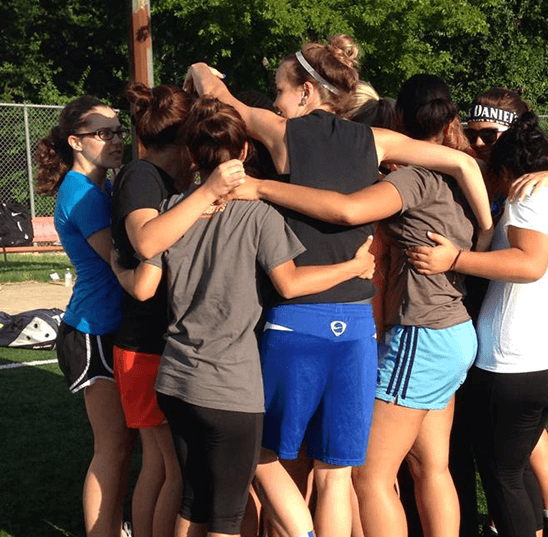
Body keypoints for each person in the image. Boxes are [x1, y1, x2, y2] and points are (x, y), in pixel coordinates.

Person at [185, 35, 492, 537]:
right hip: (355, 330)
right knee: (335, 475)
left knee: (263, 457)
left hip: (296, 320)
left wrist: (199, 67)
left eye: (280, 88)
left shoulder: (283, 133)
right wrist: (481, 235)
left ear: (306, 92)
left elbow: (222, 98)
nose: (277, 98)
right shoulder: (376, 142)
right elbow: (461, 163)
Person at [116, 95, 375, 537]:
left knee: (194, 501)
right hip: (230, 389)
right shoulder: (259, 215)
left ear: (191, 155)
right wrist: (354, 267)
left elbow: (147, 274)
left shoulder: (173, 212)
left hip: (177, 382)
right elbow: (290, 283)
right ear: (243, 152)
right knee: (225, 518)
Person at [408, 112, 548, 537]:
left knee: (503, 475)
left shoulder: (526, 199)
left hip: (519, 365)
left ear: (507, 170)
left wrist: (454, 259)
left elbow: (530, 264)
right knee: (513, 466)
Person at [110, 83, 248, 537]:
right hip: (144, 345)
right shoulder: (142, 177)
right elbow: (147, 241)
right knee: (168, 467)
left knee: (170, 466)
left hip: (163, 344)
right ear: (187, 138)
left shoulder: (172, 183)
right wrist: (205, 192)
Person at [35, 95, 135, 537]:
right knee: (112, 448)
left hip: (103, 325)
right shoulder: (82, 192)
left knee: (121, 445)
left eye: (118, 131)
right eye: (103, 133)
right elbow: (117, 260)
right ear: (76, 141)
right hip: (94, 331)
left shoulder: (99, 186)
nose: (115, 140)